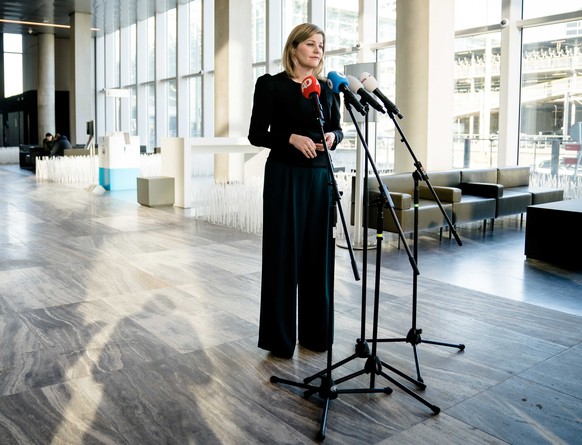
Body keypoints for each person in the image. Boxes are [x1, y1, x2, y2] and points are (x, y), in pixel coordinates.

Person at [248, 23, 344, 359]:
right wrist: (290, 137)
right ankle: (280, 339)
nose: (318, 50)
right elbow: (256, 134)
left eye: (322, 45)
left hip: (320, 178)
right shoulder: (271, 85)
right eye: (311, 44)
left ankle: (317, 337)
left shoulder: (328, 89)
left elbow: (337, 129)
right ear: (294, 48)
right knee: (283, 256)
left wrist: (332, 138)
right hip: (285, 176)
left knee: (319, 258)